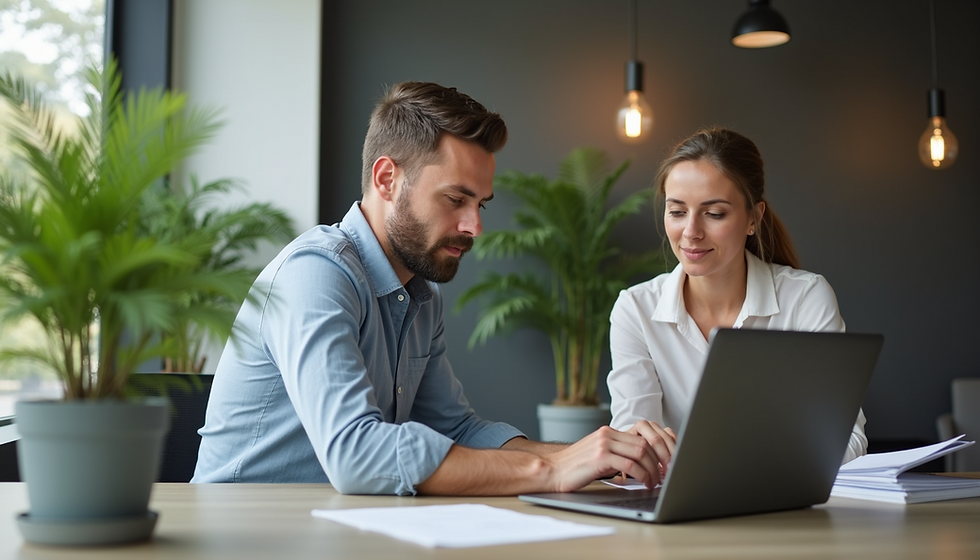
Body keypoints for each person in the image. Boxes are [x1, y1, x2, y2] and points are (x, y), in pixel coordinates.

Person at [193, 81, 674, 494]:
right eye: (455, 199)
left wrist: (594, 458)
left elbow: (457, 428)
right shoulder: (315, 275)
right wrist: (550, 469)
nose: (474, 226)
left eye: (481, 204)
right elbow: (355, 452)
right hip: (245, 532)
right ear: (387, 179)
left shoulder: (421, 296)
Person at [607, 127, 867, 464]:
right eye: (677, 211)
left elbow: (847, 439)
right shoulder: (636, 309)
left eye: (714, 214)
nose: (691, 233)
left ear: (753, 218)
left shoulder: (805, 298)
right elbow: (634, 444)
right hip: (677, 510)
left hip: (783, 506)